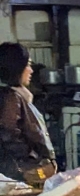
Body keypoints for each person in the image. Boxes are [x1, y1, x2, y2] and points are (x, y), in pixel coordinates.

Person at [0, 42, 55, 184]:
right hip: (22, 174)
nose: (30, 70)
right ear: (16, 67)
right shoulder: (11, 97)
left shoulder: (16, 95)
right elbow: (8, 133)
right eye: (27, 65)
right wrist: (31, 158)